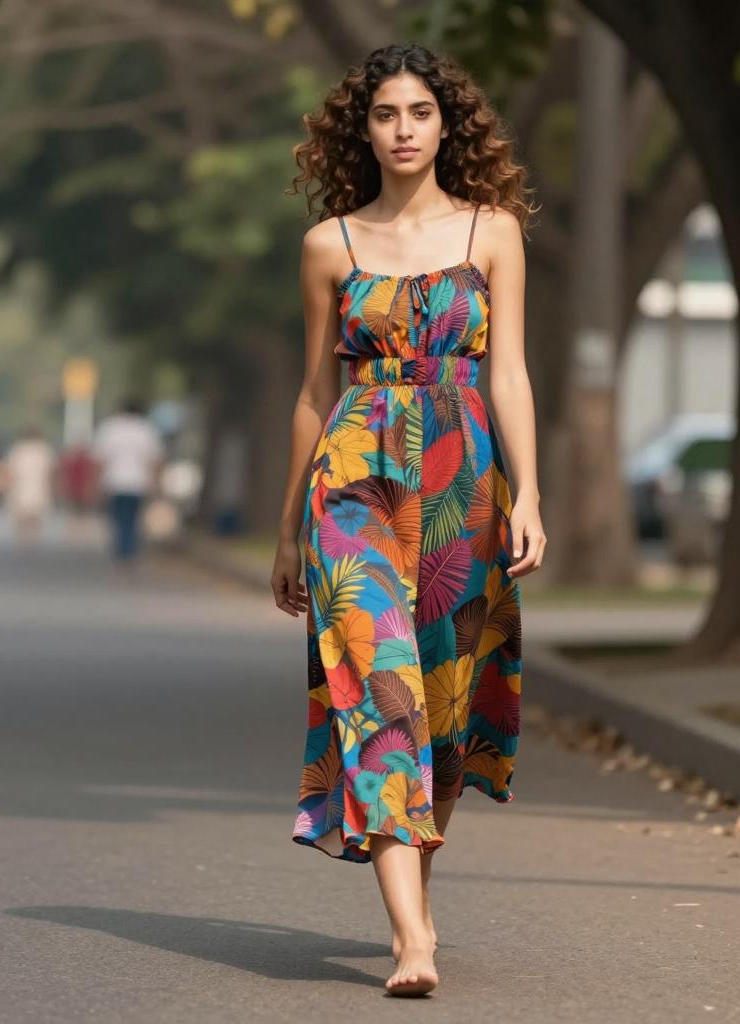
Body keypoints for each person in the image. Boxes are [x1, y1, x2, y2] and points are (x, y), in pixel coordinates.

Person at [271, 43, 546, 997]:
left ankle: (412, 899)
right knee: (378, 692)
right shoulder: (329, 245)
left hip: (463, 482)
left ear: (446, 124)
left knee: (444, 711)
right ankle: (412, 940)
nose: (402, 130)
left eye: (419, 112)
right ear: (363, 129)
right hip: (354, 480)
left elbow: (509, 374)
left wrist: (530, 495)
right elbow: (315, 393)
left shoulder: (493, 231)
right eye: (385, 113)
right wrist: (286, 530)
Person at [91, 397, 164, 569]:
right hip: (138, 483)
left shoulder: (110, 428)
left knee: (119, 520)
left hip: (114, 483)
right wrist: (156, 484)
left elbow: (101, 460)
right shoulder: (146, 429)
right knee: (133, 520)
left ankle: (121, 554)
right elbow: (155, 460)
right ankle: (129, 553)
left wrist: (96, 485)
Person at [4, 426, 57, 545]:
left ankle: (23, 544)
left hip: (20, 490)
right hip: (39, 490)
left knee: (21, 522)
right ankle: (33, 544)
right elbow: (51, 473)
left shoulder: (18, 450)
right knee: (35, 522)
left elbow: (10, 472)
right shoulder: (44, 450)